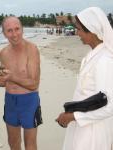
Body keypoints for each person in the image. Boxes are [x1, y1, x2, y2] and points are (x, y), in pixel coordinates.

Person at [56, 7, 113, 150]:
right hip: (83, 125)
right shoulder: (92, 56)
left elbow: (109, 105)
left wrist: (73, 117)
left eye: (80, 29)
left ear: (92, 30)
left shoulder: (105, 60)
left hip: (94, 131)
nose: (77, 33)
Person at [0, 16, 42, 150]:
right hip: (10, 101)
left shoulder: (31, 49)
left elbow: (34, 84)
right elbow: (4, 82)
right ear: (4, 33)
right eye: (9, 31)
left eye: (17, 29)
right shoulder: (4, 53)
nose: (14, 34)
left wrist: (12, 77)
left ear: (22, 29)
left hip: (29, 101)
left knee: (30, 144)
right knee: (13, 142)